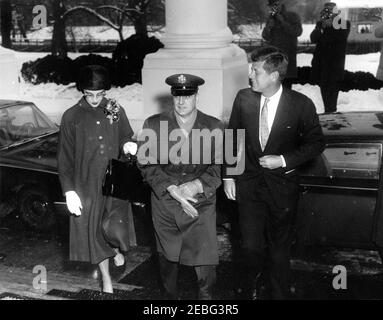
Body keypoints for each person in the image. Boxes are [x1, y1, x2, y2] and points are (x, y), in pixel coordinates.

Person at [223, 46, 325, 299]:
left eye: (256, 71)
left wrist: (282, 160)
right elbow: (232, 137)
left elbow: (316, 144)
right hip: (249, 186)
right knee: (249, 248)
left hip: (282, 189)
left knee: (279, 253)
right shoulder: (243, 98)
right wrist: (228, 176)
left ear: (274, 76)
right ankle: (249, 291)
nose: (250, 76)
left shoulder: (300, 104)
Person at [137, 74, 223, 300]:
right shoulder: (154, 124)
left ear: (196, 95)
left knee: (205, 263)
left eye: (188, 95)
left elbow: (219, 167)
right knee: (168, 261)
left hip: (200, 202)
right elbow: (146, 164)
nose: (182, 101)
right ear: (172, 96)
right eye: (177, 95)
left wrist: (196, 185)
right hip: (166, 201)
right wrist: (171, 189)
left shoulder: (214, 126)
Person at [57, 65, 138, 293]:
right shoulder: (71, 117)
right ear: (82, 90)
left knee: (115, 228)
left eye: (99, 94)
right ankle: (106, 279)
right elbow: (64, 158)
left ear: (106, 92)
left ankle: (116, 250)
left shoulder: (114, 109)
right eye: (89, 94)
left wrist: (128, 144)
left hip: (115, 179)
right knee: (94, 234)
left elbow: (125, 135)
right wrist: (69, 190)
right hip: (87, 184)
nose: (94, 100)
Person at [310, 2, 350, 113]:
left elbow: (341, 38)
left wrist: (331, 24)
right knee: (324, 89)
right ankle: (328, 112)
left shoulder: (344, 23)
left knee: (333, 91)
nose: (328, 12)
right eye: (326, 9)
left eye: (331, 10)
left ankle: (331, 112)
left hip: (335, 64)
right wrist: (321, 27)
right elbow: (313, 38)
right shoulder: (321, 23)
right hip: (321, 64)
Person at [262, 0, 302, 89]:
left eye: (275, 5)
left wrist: (283, 22)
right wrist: (268, 28)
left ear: (280, 4)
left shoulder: (292, 16)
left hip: (287, 60)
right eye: (271, 6)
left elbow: (298, 32)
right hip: (273, 61)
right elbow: (265, 36)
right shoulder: (271, 19)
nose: (273, 8)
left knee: (286, 89)